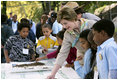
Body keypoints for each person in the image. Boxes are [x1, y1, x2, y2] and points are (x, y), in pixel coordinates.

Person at [47, 7, 96, 79]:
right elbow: (63, 53)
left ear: (72, 18)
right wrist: (53, 74)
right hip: (82, 59)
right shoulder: (67, 34)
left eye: (65, 23)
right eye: (62, 24)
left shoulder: (90, 24)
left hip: (96, 57)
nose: (64, 26)